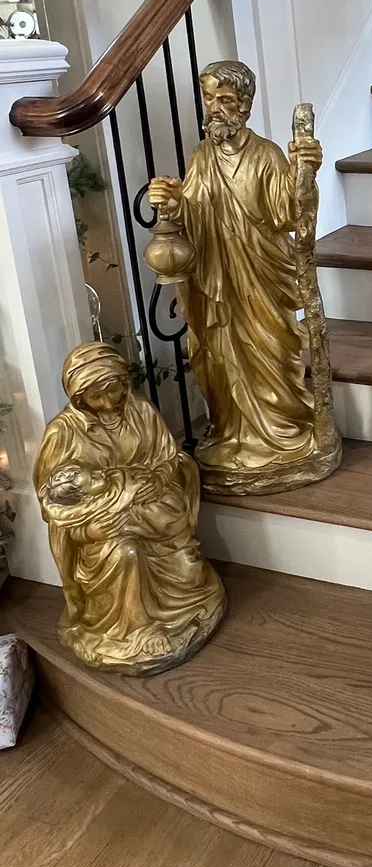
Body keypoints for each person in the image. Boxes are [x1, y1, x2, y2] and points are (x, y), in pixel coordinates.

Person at [147, 60, 337, 494]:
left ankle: (282, 426)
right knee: (217, 353)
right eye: (209, 99)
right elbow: (195, 212)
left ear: (245, 106)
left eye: (225, 100)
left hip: (261, 279)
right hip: (215, 280)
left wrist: (305, 175)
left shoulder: (266, 154)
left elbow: (289, 213)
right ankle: (235, 432)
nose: (214, 109)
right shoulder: (200, 156)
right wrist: (174, 204)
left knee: (272, 347)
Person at [34, 343, 225, 674]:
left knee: (185, 561)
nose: (110, 402)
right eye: (97, 396)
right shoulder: (62, 432)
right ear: (79, 398)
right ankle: (136, 630)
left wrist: (158, 478)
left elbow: (169, 457)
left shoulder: (140, 410)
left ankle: (174, 596)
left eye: (116, 388)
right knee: (126, 553)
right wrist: (95, 513)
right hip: (100, 524)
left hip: (151, 501)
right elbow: (51, 496)